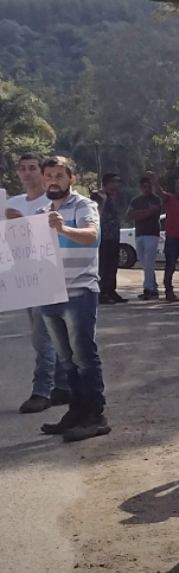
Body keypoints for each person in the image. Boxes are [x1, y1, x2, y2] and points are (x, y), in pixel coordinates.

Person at [36, 157, 112, 442]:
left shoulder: (84, 206)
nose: (53, 180)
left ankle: (96, 415)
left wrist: (63, 229)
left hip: (79, 289)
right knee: (66, 359)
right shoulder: (43, 211)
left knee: (83, 356)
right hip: (49, 290)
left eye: (59, 175)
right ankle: (77, 411)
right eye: (49, 175)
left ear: (72, 179)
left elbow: (93, 236)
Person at [7, 152, 71, 414]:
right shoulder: (10, 203)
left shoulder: (53, 202)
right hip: (23, 277)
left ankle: (41, 390)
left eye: (32, 168)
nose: (27, 173)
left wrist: (22, 223)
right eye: (22, 168)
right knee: (47, 334)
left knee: (41, 336)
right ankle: (63, 385)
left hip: (49, 276)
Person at [91, 173, 127, 304]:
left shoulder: (116, 197)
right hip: (103, 235)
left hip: (114, 235)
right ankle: (102, 292)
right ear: (107, 182)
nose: (118, 184)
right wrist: (104, 201)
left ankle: (111, 290)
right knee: (103, 265)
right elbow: (95, 213)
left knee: (113, 264)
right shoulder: (98, 195)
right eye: (115, 181)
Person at [127, 175, 163, 301]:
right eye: (144, 187)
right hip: (139, 233)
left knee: (148, 262)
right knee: (144, 263)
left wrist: (139, 213)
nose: (147, 189)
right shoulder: (135, 200)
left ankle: (147, 288)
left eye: (149, 187)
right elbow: (129, 215)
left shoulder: (156, 199)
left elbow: (152, 211)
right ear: (140, 187)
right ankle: (153, 287)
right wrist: (144, 212)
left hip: (152, 234)